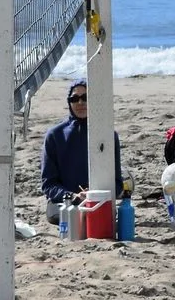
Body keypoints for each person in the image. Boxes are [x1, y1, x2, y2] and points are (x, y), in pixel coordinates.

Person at [38, 79, 121, 217]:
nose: (80, 103)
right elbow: (48, 184)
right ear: (69, 102)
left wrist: (94, 195)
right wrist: (73, 196)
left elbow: (117, 183)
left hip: (98, 202)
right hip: (64, 204)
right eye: (75, 98)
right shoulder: (54, 135)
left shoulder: (109, 135)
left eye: (85, 98)